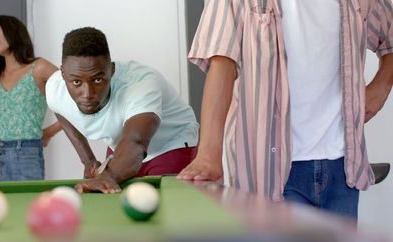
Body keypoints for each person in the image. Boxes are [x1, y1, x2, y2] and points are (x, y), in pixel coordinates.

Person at [178, 0, 393, 219]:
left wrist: (382, 86)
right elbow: (222, 62)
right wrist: (208, 155)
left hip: (343, 171)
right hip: (269, 172)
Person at [46, 27, 199, 193]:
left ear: (111, 70)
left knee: (167, 210)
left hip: (171, 144)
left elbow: (136, 141)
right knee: (112, 202)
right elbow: (61, 112)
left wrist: (109, 176)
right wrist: (88, 160)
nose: (87, 94)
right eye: (76, 82)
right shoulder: (55, 89)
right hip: (122, 145)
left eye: (97, 79)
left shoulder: (140, 85)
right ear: (62, 73)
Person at [0, 15, 62, 181]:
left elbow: (77, 98)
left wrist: (49, 133)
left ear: (13, 31)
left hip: (26, 154)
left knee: (25, 206)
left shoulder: (39, 67)